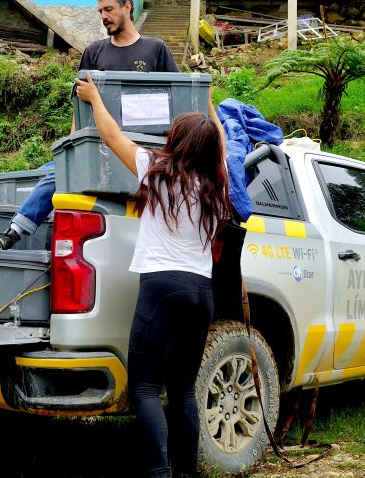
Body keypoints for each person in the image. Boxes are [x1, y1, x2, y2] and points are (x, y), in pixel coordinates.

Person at [76, 72, 229, 478]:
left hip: (162, 286)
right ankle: (188, 473)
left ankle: (159, 474)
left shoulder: (156, 170)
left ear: (176, 142)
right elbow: (223, 145)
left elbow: (111, 137)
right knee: (182, 390)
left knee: (145, 388)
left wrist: (94, 98)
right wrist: (209, 103)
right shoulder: (217, 183)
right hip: (202, 293)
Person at [0, 0, 178, 249]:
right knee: (54, 171)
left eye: (108, 9)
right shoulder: (95, 51)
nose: (103, 16)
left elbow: (175, 97)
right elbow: (80, 106)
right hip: (97, 146)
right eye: (100, 11)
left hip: (139, 149)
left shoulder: (155, 49)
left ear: (127, 7)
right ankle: (14, 234)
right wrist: (74, 145)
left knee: (53, 174)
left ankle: (14, 232)